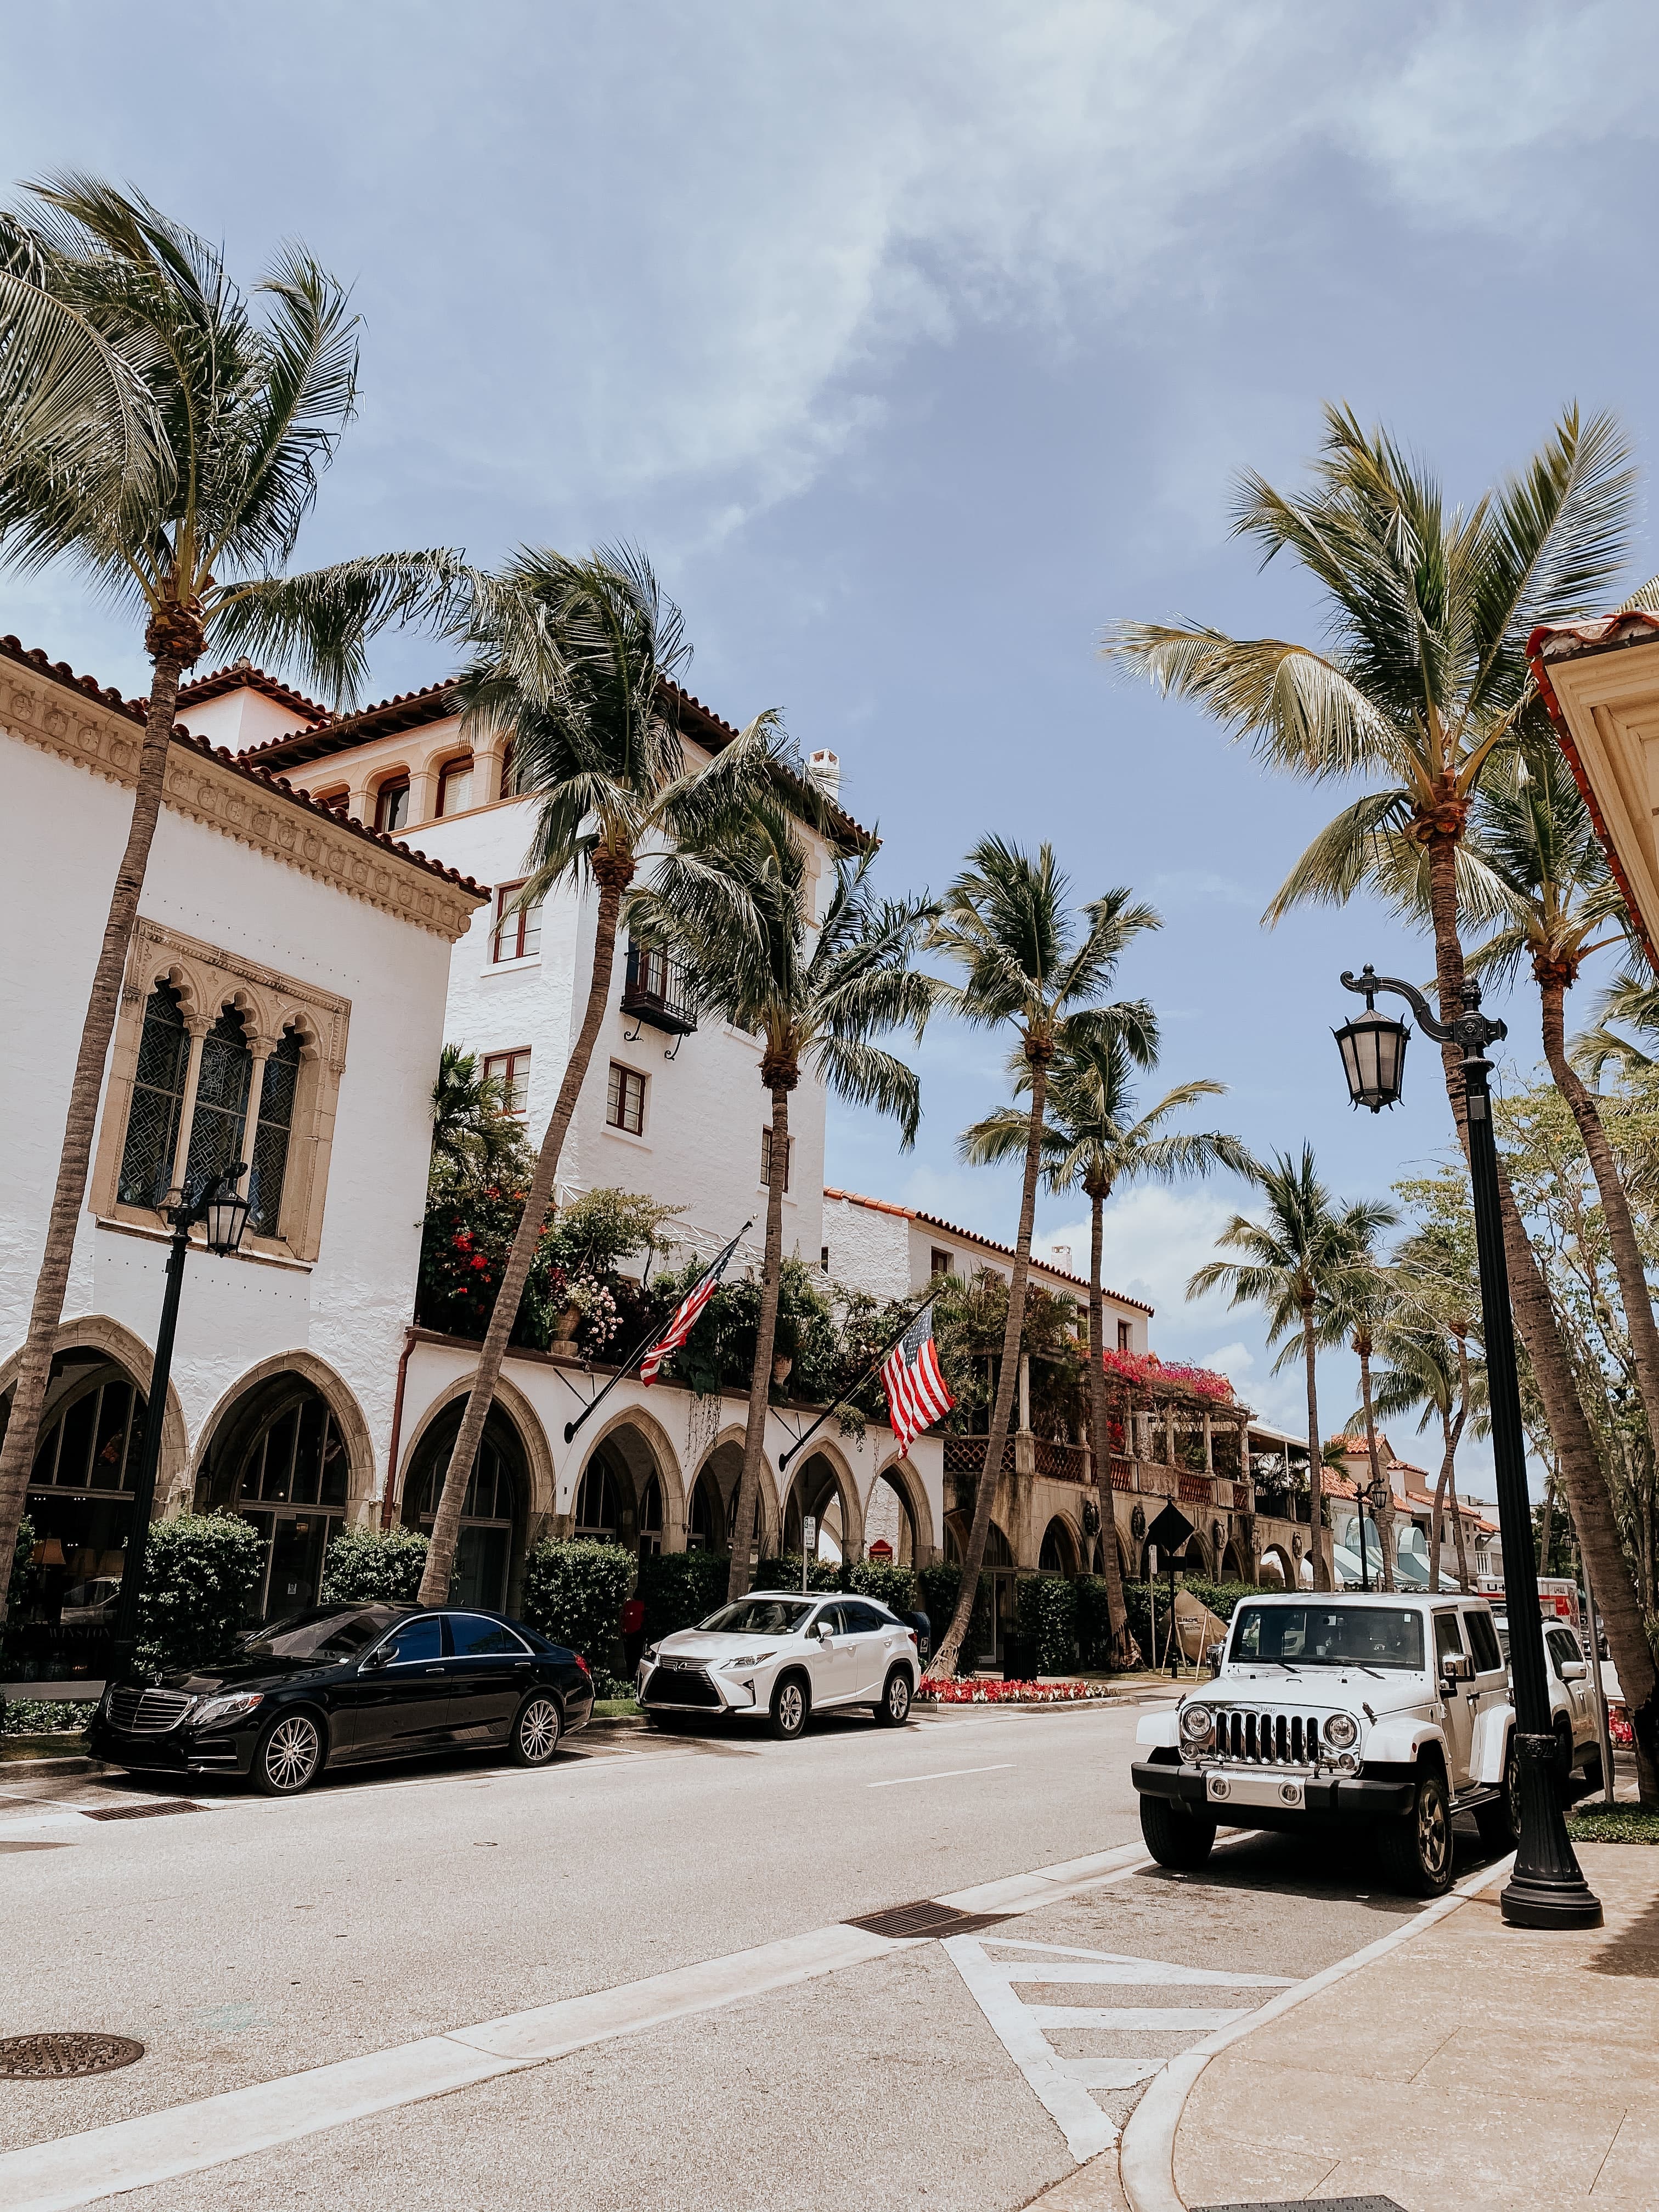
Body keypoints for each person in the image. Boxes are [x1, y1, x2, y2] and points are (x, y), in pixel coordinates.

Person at [620, 1594, 646, 1677]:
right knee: (637, 1654)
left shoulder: (628, 1604)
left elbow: (623, 1617)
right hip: (638, 1633)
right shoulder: (642, 1605)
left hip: (628, 1633)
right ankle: (633, 1673)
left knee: (629, 1654)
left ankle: (630, 1673)